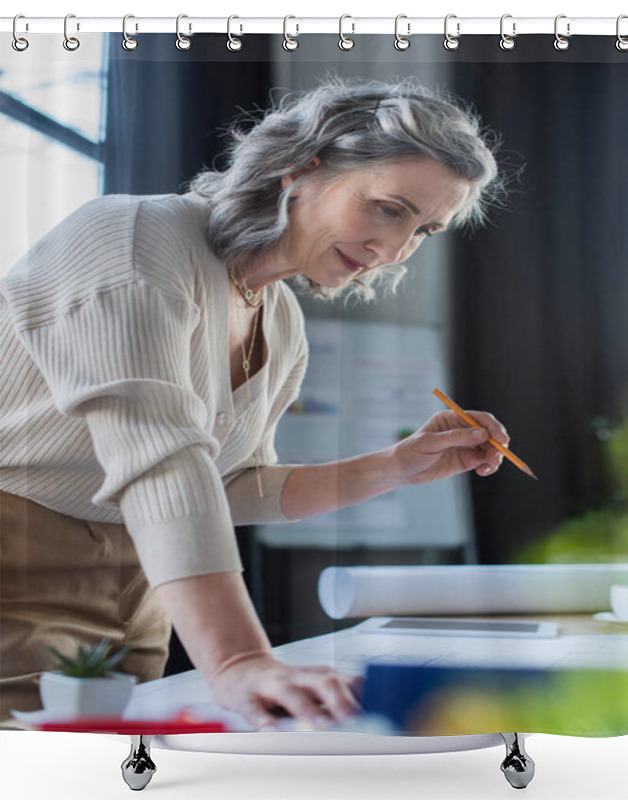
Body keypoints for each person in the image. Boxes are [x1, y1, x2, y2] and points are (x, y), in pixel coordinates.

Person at [0, 78, 511, 729]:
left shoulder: (281, 321)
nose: (394, 251)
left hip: (141, 590)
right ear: (302, 168)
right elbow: (160, 462)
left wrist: (397, 465)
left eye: (425, 229)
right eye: (387, 208)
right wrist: (239, 657)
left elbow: (232, 485)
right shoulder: (133, 239)